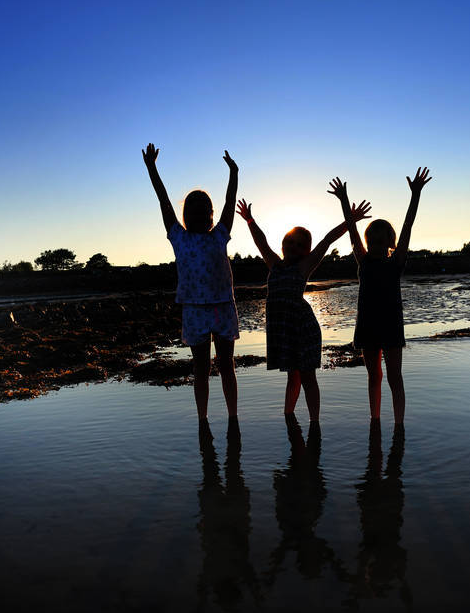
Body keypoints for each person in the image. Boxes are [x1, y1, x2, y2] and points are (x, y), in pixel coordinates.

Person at [142, 143, 239, 438]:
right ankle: (208, 419)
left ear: (209, 214)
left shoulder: (215, 235)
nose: (200, 215)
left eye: (203, 211)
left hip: (218, 307)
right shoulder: (183, 238)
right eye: (195, 211)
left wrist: (234, 174)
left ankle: (227, 418)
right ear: (189, 215)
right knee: (205, 368)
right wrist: (152, 169)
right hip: (201, 310)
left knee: (221, 366)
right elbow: (164, 201)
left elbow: (228, 202)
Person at [236, 198, 358, 424]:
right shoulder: (274, 264)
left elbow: (327, 240)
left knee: (308, 376)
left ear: (307, 251)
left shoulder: (304, 267)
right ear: (283, 243)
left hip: (303, 329)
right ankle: (288, 416)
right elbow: (261, 242)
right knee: (292, 377)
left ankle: (314, 423)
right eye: (290, 242)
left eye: (300, 245)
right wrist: (250, 220)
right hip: (285, 331)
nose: (294, 247)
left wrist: (350, 221)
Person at [328, 168, 432, 426]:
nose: (374, 244)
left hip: (392, 327)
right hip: (367, 327)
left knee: (395, 377)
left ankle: (399, 424)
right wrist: (343, 199)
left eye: (379, 240)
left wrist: (415, 195)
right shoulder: (363, 262)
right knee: (374, 376)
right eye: (371, 240)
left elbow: (408, 226)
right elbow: (352, 230)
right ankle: (375, 420)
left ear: (390, 242)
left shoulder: (396, 262)